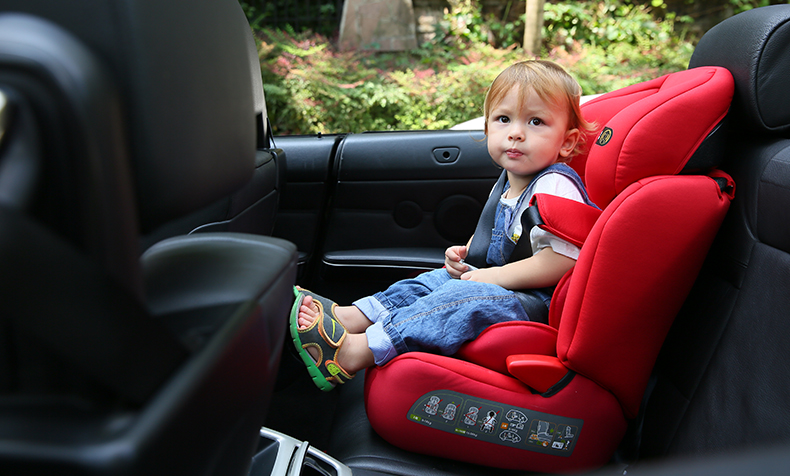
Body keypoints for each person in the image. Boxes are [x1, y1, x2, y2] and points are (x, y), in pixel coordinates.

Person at [290, 60, 598, 391]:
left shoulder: (554, 185)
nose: (516, 132)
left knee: (459, 296)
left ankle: (357, 352)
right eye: (503, 119)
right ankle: (350, 317)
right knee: (433, 280)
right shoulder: (512, 182)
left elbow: (565, 258)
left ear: (566, 142)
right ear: (488, 129)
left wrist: (491, 276)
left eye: (536, 122)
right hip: (504, 285)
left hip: (536, 303)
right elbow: (502, 239)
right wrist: (467, 255)